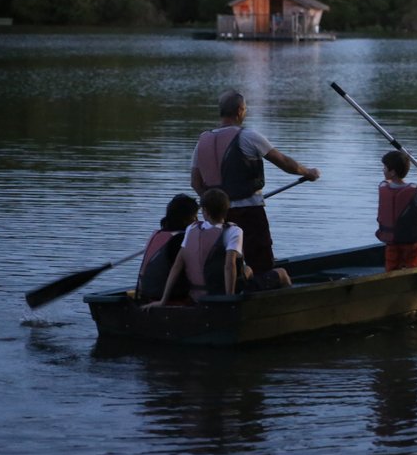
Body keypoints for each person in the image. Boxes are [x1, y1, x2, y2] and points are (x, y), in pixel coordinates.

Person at [190, 90, 319, 283]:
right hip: (248, 213)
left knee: (225, 261)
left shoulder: (202, 142)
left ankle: (227, 293)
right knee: (261, 265)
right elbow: (284, 162)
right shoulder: (248, 136)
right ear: (240, 110)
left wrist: (216, 205)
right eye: (245, 109)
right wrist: (308, 172)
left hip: (216, 217)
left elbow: (196, 183)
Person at [135, 193, 199, 302]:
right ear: (185, 219)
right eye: (195, 216)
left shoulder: (157, 235)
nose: (197, 220)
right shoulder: (180, 239)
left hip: (145, 293)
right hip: (166, 296)